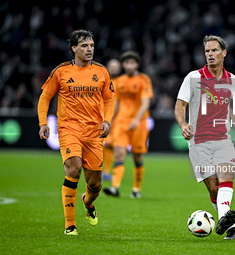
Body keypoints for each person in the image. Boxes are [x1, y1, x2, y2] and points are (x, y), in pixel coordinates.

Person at [37, 29, 115, 235]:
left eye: (91, 46)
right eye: (84, 46)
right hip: (68, 128)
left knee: (95, 184)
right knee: (73, 170)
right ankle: (70, 225)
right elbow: (45, 97)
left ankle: (88, 204)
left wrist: (107, 121)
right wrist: (43, 122)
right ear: (73, 48)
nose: (89, 49)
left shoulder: (102, 72)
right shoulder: (61, 72)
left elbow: (109, 99)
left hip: (94, 132)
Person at [174, 35, 235, 240]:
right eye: (207, 51)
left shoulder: (233, 80)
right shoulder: (193, 78)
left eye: (214, 50)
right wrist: (183, 124)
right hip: (198, 141)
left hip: (223, 138)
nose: (210, 54)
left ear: (224, 53)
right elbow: (180, 105)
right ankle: (227, 221)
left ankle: (230, 227)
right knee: (214, 188)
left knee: (227, 177)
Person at [103, 51, 153, 198]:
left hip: (139, 123)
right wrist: (110, 121)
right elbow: (116, 103)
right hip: (121, 123)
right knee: (119, 154)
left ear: (136, 64)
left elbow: (146, 102)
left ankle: (136, 189)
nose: (129, 66)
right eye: (126, 63)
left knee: (137, 157)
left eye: (132, 63)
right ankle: (114, 187)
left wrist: (136, 120)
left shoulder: (144, 79)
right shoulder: (118, 82)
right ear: (123, 65)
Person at [102, 59, 122, 181]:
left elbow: (119, 103)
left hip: (115, 118)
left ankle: (107, 171)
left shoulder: (120, 83)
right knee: (103, 145)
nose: (114, 69)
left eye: (116, 67)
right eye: (112, 66)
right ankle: (103, 170)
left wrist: (113, 119)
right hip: (102, 117)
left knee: (111, 145)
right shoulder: (103, 81)